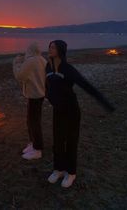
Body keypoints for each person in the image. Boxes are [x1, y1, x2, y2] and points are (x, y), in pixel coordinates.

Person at [45, 40, 115, 188]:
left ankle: (71, 172)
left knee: (70, 141)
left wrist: (104, 102)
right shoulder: (48, 66)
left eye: (53, 47)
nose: (49, 49)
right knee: (58, 141)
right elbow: (47, 87)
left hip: (71, 111)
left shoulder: (68, 69)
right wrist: (50, 99)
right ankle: (59, 169)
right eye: (49, 47)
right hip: (58, 110)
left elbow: (85, 85)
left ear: (60, 51)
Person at [13, 42, 47, 160]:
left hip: (34, 96)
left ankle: (37, 149)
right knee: (32, 121)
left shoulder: (31, 61)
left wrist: (16, 63)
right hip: (40, 94)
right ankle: (33, 144)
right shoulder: (42, 60)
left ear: (30, 50)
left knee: (34, 122)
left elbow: (20, 76)